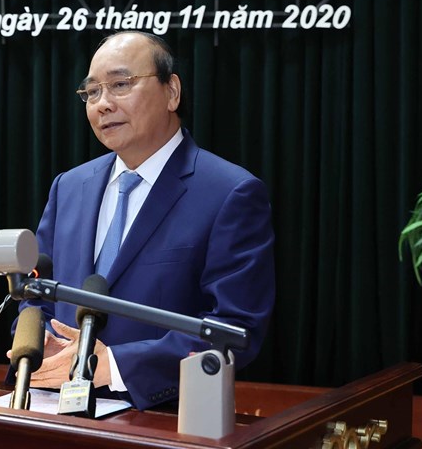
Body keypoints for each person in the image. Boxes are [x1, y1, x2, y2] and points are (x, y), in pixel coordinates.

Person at [24, 31, 275, 409]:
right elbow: (36, 294)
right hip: (55, 409)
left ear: (172, 92)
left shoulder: (230, 193)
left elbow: (236, 330)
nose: (102, 104)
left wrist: (115, 365)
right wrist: (36, 344)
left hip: (162, 419)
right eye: (92, 92)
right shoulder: (69, 187)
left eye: (120, 85)